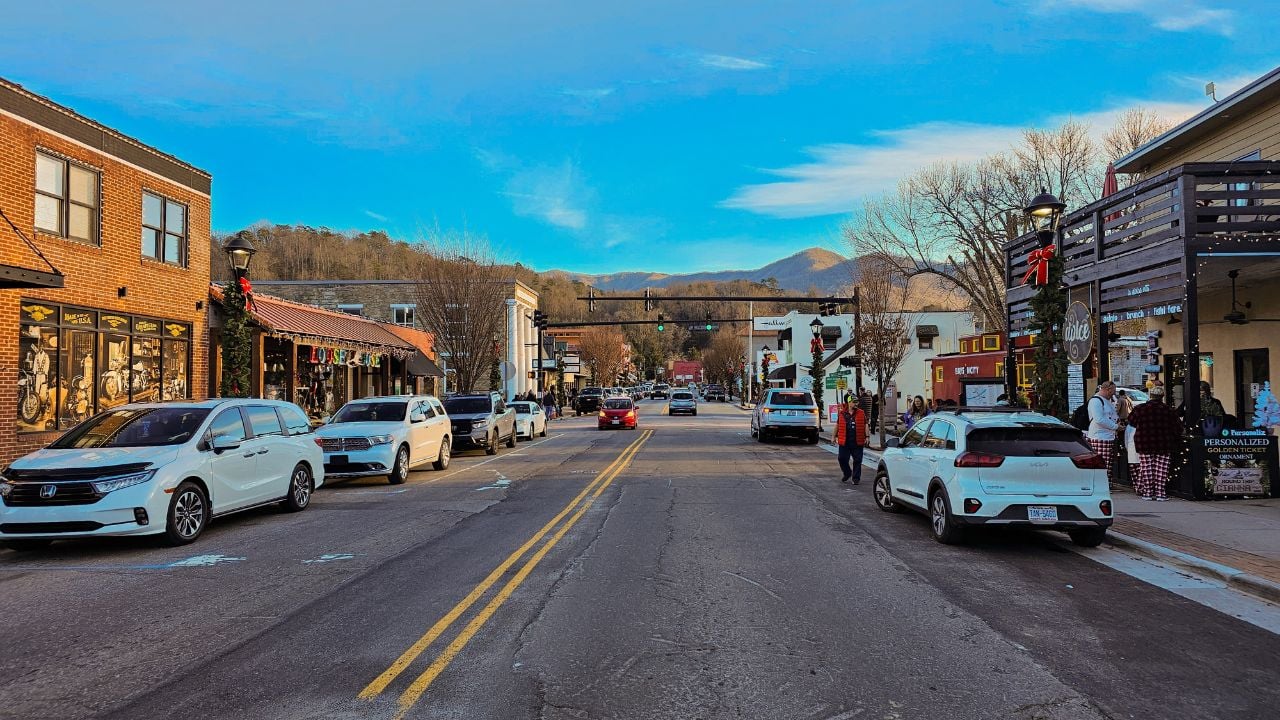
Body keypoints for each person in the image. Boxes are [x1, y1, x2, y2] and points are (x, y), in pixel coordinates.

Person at [1126, 385, 1182, 500]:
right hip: (1164, 443)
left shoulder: (1140, 409)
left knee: (1146, 469)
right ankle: (1161, 493)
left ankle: (1147, 493)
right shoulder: (1168, 410)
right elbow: (1178, 428)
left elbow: (1131, 422)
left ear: (1150, 396)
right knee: (1161, 469)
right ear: (1162, 397)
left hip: (1144, 442)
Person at [1086, 381, 1120, 476]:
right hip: (1100, 437)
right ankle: (1102, 485)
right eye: (1113, 391)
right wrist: (1116, 426)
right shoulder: (1096, 401)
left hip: (1107, 436)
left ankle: (1107, 484)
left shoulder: (1107, 400)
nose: (1113, 394)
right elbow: (1099, 419)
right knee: (1103, 464)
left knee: (1108, 464)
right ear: (1107, 390)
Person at [834, 395, 868, 484]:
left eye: (857, 402)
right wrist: (833, 436)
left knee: (857, 460)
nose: (856, 404)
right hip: (844, 441)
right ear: (849, 403)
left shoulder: (861, 412)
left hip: (857, 440)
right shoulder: (842, 413)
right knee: (842, 458)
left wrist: (867, 437)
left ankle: (856, 478)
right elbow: (837, 425)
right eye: (854, 402)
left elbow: (865, 424)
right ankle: (847, 473)